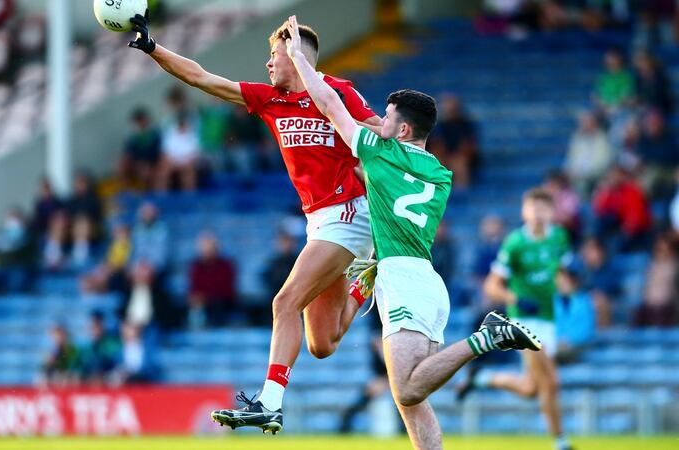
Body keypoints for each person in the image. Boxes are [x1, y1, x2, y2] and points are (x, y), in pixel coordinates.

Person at [212, 17, 543, 445]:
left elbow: (330, 105)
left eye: (385, 118)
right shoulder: (440, 174)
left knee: (407, 388)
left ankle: (487, 336)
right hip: (418, 279)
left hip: (404, 280)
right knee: (410, 400)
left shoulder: (380, 155)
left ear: (403, 130)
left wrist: (298, 58)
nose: (376, 121)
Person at [128, 11, 383, 424]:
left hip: (350, 213)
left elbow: (378, 133)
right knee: (323, 342)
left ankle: (269, 403)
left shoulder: (337, 92)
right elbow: (202, 78)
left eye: (275, 54)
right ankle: (365, 281)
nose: (268, 63)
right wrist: (154, 49)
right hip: (318, 221)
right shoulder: (271, 99)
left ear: (298, 56)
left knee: (284, 302)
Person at [466, 188, 574, 450]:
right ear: (524, 211)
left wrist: (566, 288)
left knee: (531, 389)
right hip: (522, 322)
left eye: (543, 208)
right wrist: (516, 299)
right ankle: (560, 442)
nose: (537, 214)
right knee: (551, 381)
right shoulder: (515, 243)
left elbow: (558, 270)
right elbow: (492, 286)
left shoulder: (559, 237)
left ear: (552, 212)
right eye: (532, 208)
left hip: (548, 319)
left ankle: (482, 378)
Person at [428, 94, 478, 189]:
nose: (448, 108)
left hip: (461, 156)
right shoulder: (436, 125)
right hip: (442, 155)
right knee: (435, 162)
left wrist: (456, 156)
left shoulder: (465, 124)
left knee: (459, 163)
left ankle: (461, 194)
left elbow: (468, 145)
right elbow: (434, 144)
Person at [187, 232, 236, 328]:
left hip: (222, 303)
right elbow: (193, 288)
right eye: (204, 246)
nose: (207, 250)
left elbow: (227, 290)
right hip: (202, 305)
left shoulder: (225, 265)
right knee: (196, 308)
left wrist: (205, 296)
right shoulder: (196, 266)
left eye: (210, 246)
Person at [563, 111, 614, 198]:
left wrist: (583, 174)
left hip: (595, 176)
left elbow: (602, 164)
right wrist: (568, 171)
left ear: (594, 123)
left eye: (585, 122)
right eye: (581, 122)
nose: (582, 125)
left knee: (582, 184)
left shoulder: (602, 139)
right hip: (577, 175)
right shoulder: (577, 138)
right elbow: (570, 159)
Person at [554, 262, 596, 363]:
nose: (564, 282)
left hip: (577, 347)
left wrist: (569, 340)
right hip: (554, 346)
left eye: (568, 278)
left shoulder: (585, 301)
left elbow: (587, 329)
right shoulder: (549, 301)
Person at [119, 108, 162, 190]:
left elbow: (161, 152)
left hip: (153, 162)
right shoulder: (132, 137)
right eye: (137, 121)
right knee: (120, 166)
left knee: (146, 171)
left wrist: (149, 164)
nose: (139, 123)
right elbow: (127, 152)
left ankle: (152, 194)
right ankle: (130, 192)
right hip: (138, 162)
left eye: (141, 120)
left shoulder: (156, 133)